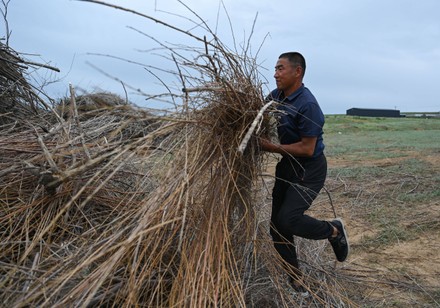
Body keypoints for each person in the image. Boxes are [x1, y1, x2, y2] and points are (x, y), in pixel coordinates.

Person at [260, 52, 349, 293]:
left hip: (310, 168)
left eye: (280, 69)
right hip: (287, 165)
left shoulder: (307, 105)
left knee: (288, 219)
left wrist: (270, 146)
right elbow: (262, 110)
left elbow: (308, 149)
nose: (275, 73)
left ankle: (333, 230)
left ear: (297, 72)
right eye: (275, 69)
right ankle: (296, 279)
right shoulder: (277, 96)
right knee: (277, 228)